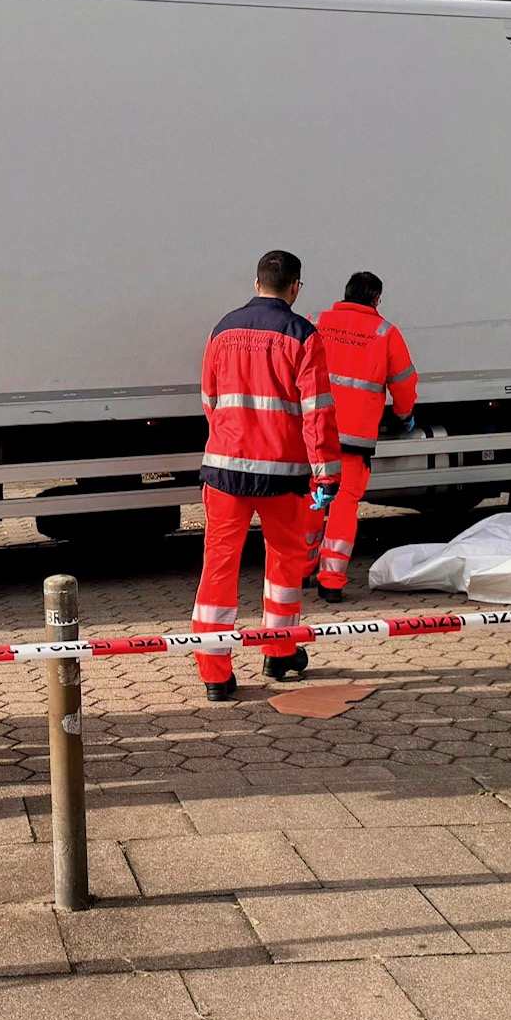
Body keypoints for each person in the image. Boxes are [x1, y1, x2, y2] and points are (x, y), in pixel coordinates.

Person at [193, 250, 338, 702]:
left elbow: (209, 399)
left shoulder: (222, 330)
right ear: (295, 288)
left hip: (225, 471)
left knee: (218, 567)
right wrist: (327, 477)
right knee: (284, 564)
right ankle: (279, 652)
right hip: (282, 475)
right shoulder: (302, 335)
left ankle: (215, 674)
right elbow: (318, 414)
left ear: (257, 284)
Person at [310, 271, 420, 602]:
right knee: (343, 508)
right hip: (354, 442)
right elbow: (404, 382)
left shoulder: (316, 322)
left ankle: (299, 571)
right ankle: (330, 582)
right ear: (375, 299)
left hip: (314, 435)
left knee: (311, 503)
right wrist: (404, 415)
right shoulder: (385, 332)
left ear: (345, 294)